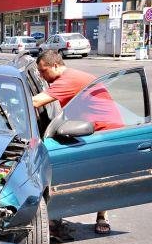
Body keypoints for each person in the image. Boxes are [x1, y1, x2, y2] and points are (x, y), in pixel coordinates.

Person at [33, 50, 121, 234]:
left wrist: (0, 107)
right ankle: (57, 213)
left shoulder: (68, 79)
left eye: (43, 71)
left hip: (104, 131)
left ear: (56, 66)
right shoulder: (66, 77)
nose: (41, 76)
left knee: (100, 175)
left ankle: (102, 216)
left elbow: (36, 101)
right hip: (88, 125)